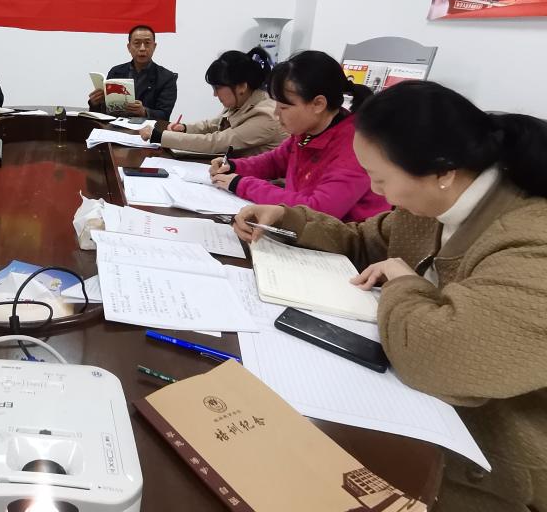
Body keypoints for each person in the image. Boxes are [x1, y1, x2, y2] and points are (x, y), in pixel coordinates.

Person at [232, 81, 547, 512]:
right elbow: (364, 241)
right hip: (417, 406)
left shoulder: (531, 242)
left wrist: (401, 282)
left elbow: (443, 360)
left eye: (380, 179)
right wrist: (288, 219)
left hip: (494, 457)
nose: (375, 192)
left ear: (443, 171)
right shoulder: (436, 201)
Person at [210, 50, 388, 222]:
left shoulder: (355, 148)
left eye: (284, 107)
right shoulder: (308, 131)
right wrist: (233, 166)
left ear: (318, 104)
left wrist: (242, 184)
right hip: (303, 230)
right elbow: (275, 161)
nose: (276, 113)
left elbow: (316, 211)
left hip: (337, 238)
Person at [139, 46, 284, 156]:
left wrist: (159, 136)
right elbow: (213, 125)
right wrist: (184, 128)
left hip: (263, 182)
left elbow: (218, 142)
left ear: (242, 86)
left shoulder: (265, 115)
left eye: (218, 87)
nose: (214, 94)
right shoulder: (241, 101)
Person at [88, 25, 177, 120]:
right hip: (115, 125)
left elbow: (164, 114)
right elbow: (105, 111)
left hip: (146, 128)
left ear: (154, 47)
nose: (142, 48)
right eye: (137, 43)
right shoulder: (116, 71)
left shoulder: (166, 77)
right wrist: (95, 103)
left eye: (147, 43)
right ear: (129, 47)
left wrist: (144, 112)